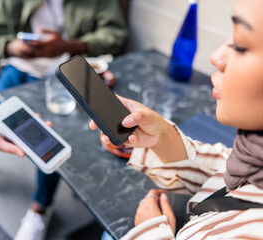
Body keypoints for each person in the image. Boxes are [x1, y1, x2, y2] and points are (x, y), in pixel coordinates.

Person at [91, 0, 263, 239]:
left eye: (241, 45)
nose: (216, 57)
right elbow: (227, 172)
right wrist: (161, 137)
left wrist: (151, 231)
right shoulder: (254, 156)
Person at [0, 0, 128, 239]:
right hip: (22, 66)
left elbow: (116, 35)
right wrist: (12, 47)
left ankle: (40, 209)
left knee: (51, 137)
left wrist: (69, 45)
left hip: (68, 70)